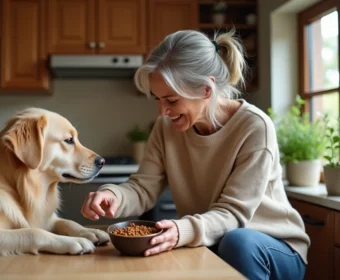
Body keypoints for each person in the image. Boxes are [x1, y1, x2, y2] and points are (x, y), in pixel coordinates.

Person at [81, 29, 309, 280]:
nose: (162, 112)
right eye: (157, 99)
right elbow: (143, 188)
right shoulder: (166, 128)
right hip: (214, 239)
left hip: (274, 246)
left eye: (171, 100)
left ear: (206, 90)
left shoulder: (254, 127)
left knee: (237, 242)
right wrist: (113, 195)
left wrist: (182, 230)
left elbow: (233, 214)